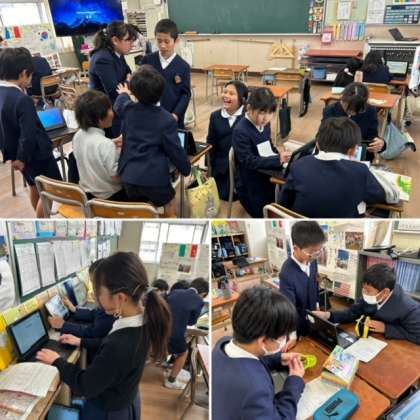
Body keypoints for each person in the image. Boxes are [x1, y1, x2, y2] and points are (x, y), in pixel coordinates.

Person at [36, 252, 171, 420]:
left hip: (108, 412)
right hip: (124, 399)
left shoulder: (121, 343)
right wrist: (81, 341)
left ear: (120, 298)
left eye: (98, 292)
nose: (95, 297)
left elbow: (86, 385)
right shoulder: (143, 321)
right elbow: (110, 352)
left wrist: (57, 361)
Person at [212, 287, 305, 420]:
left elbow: (251, 358)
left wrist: (279, 358)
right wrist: (294, 382)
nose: (285, 340)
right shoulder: (254, 390)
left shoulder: (224, 343)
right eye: (283, 336)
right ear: (263, 341)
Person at [115, 65, 191, 216]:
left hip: (128, 175)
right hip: (153, 178)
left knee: (139, 210)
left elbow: (119, 104)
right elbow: (175, 150)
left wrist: (124, 93)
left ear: (134, 92)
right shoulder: (166, 119)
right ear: (161, 91)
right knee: (170, 201)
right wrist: (186, 168)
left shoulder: (128, 109)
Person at [278, 117, 386, 218]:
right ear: (354, 150)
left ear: (317, 144)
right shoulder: (360, 170)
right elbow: (378, 196)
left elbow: (284, 202)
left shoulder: (299, 165)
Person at [0, 47, 62, 217]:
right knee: (50, 189)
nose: (31, 80)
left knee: (35, 185)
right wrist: (21, 158)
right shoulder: (22, 99)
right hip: (35, 154)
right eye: (31, 75)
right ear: (23, 73)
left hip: (17, 154)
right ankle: (42, 220)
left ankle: (40, 216)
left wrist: (14, 157)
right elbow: (28, 134)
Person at [313, 264, 420, 345]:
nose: (364, 293)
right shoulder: (370, 295)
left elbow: (417, 336)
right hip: (369, 340)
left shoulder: (409, 308)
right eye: (363, 288)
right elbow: (352, 313)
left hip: (396, 348)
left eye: (368, 290)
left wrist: (386, 328)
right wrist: (328, 315)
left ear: (385, 292)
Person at [232, 87, 291, 218]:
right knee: (265, 213)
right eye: (262, 112)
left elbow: (268, 145)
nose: (266, 118)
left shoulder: (265, 124)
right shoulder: (240, 130)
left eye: (270, 113)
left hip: (265, 168)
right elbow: (248, 161)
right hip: (250, 178)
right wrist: (277, 160)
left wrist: (279, 155)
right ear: (249, 108)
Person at [72, 90, 127, 201]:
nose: (113, 112)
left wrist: (112, 142)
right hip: (111, 198)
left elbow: (92, 148)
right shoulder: (105, 145)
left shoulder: (78, 136)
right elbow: (116, 177)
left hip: (87, 195)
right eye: (110, 109)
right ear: (99, 118)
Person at [89, 21, 137, 137]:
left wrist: (127, 80)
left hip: (117, 105)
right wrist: (128, 80)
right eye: (128, 40)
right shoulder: (103, 58)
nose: (132, 45)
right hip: (105, 113)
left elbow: (130, 74)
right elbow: (114, 90)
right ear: (115, 40)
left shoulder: (118, 53)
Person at [141, 19, 191, 128]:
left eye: (167, 41)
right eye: (159, 41)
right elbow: (140, 88)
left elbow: (185, 94)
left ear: (176, 40)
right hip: (150, 117)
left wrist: (176, 114)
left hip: (172, 118)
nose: (162, 45)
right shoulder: (147, 60)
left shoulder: (183, 66)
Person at [47, 260, 115, 340]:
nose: (93, 290)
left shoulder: (110, 312)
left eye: (95, 284)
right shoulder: (106, 307)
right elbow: (95, 314)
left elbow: (92, 332)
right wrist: (75, 309)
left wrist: (64, 325)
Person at [279, 221, 325, 337]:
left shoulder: (312, 261)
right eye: (311, 252)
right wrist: (293, 335)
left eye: (318, 251)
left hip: (314, 316)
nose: (315, 256)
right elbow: (289, 309)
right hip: (298, 324)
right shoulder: (286, 273)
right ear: (296, 248)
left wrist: (317, 304)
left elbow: (315, 285)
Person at [322, 82, 385, 162]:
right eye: (348, 108)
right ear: (342, 98)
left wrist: (380, 144)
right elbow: (322, 137)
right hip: (334, 155)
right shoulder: (331, 110)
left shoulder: (370, 111)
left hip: (360, 157)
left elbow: (372, 138)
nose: (352, 113)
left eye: (357, 110)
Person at [207, 80, 248, 200]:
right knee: (221, 196)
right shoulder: (215, 116)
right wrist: (209, 167)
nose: (226, 96)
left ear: (242, 99)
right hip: (221, 166)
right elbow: (211, 143)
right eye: (225, 92)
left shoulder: (247, 117)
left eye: (231, 93)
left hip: (242, 167)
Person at [165, 278, 209, 389]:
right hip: (174, 332)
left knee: (172, 345)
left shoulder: (175, 292)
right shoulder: (198, 301)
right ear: (203, 293)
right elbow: (191, 322)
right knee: (183, 352)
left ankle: (166, 363)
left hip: (160, 329)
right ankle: (171, 380)